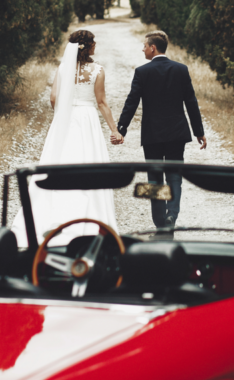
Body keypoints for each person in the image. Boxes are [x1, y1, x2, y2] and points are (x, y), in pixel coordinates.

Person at [11, 30, 123, 247]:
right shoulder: (97, 70)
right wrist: (114, 130)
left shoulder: (63, 68)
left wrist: (62, 117)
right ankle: (91, 215)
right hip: (87, 118)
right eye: (93, 42)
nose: (95, 45)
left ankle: (52, 212)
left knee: (59, 160)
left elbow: (54, 98)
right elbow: (101, 102)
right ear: (88, 46)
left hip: (66, 119)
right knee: (88, 160)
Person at [114, 30, 206, 233]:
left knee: (154, 177)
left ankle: (159, 221)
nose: (143, 49)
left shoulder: (142, 72)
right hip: (176, 133)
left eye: (145, 45)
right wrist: (199, 131)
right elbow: (191, 102)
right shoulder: (181, 69)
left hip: (152, 134)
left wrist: (122, 128)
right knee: (174, 175)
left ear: (153, 48)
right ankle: (171, 214)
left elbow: (132, 102)